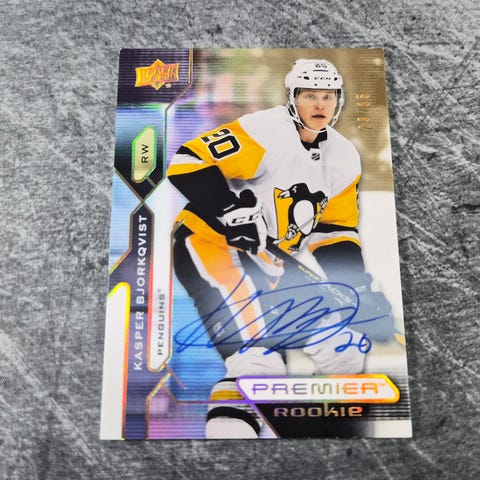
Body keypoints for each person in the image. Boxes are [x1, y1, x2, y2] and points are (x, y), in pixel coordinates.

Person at [167, 59, 393, 438]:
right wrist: (229, 209)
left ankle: (322, 436)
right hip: (211, 243)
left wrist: (359, 287)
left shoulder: (343, 156)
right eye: (309, 95)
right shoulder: (264, 131)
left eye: (328, 96)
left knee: (344, 350)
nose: (319, 104)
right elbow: (187, 161)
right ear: (292, 98)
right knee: (258, 363)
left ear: (338, 101)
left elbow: (333, 231)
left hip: (270, 259)